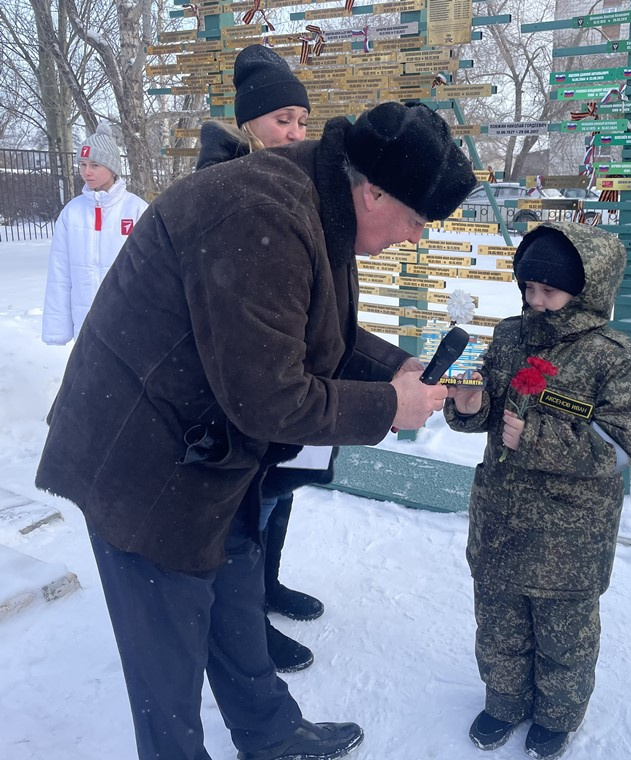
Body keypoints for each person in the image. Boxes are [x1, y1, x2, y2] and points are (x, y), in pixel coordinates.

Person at [35, 100, 476, 760]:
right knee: (167, 659)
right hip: (143, 462)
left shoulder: (321, 203)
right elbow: (268, 397)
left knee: (236, 596)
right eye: (418, 221)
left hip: (208, 451)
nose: (416, 238)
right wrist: (388, 406)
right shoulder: (262, 212)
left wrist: (395, 370)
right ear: (375, 191)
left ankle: (270, 734)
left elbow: (311, 328)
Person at [444, 221, 631, 760]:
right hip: (500, 518)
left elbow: (620, 445)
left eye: (550, 290)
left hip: (570, 534)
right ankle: (504, 701)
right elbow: (486, 407)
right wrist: (469, 406)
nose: (535, 300)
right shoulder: (509, 336)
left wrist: (534, 437)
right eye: (528, 287)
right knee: (499, 625)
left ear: (586, 289)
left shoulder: (614, 356)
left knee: (565, 636)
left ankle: (557, 716)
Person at [196, 43, 324, 675]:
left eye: (302, 121)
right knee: (248, 505)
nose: (296, 133)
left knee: (281, 487)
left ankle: (267, 586)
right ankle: (245, 621)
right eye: (282, 120)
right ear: (248, 122)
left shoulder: (295, 182)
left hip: (287, 365)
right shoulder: (223, 185)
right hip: (237, 380)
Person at [42, 122, 148, 345]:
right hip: (85, 327)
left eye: (95, 165)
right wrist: (57, 329)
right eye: (82, 164)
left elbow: (151, 273)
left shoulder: (137, 210)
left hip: (128, 325)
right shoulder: (72, 213)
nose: (86, 172)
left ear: (112, 168)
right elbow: (60, 275)